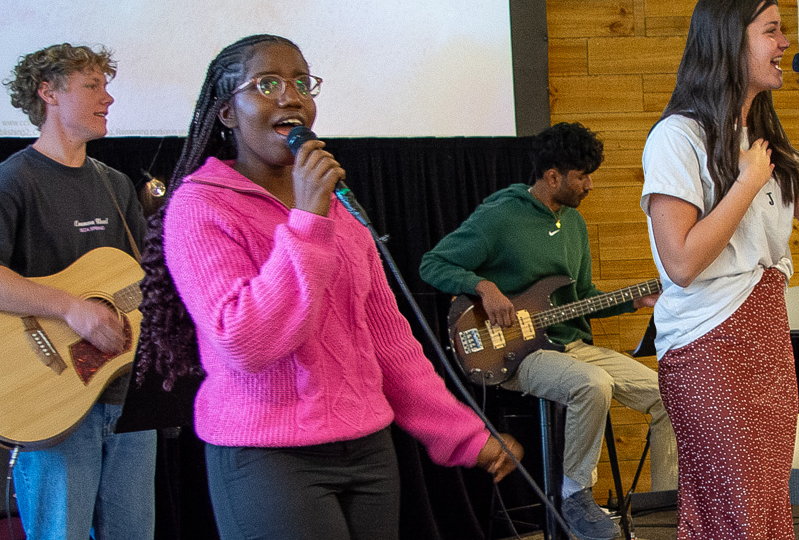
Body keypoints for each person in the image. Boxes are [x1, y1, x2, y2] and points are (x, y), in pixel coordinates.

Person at [133, 34, 521, 540]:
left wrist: (464, 434)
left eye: (301, 82)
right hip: (269, 456)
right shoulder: (201, 207)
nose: (290, 96)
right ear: (227, 113)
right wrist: (308, 221)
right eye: (267, 83)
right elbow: (244, 340)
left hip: (368, 447)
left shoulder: (338, 210)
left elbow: (391, 346)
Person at [641, 0, 799, 540]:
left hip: (766, 336)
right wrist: (745, 183)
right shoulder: (677, 138)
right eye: (772, 31)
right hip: (706, 343)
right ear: (731, 42)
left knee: (762, 510)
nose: (786, 43)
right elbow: (681, 263)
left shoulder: (764, 140)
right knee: (734, 513)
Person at [419, 121, 674, 540]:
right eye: (582, 175)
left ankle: (668, 508)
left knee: (670, 396)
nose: (589, 185)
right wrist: (484, 288)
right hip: (516, 353)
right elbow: (433, 264)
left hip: (571, 345)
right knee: (591, 383)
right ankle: (574, 494)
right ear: (553, 176)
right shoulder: (500, 215)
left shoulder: (573, 224)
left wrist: (634, 300)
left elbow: (585, 295)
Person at [0, 44, 157, 539]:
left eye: (106, 85)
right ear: (48, 93)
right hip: (51, 399)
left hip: (126, 396)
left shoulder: (115, 184)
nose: (109, 98)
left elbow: (146, 284)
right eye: (92, 85)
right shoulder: (9, 183)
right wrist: (71, 308)